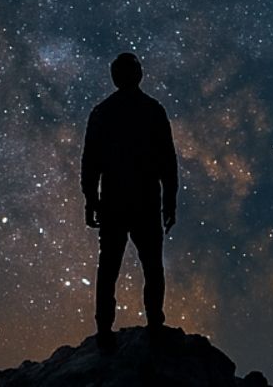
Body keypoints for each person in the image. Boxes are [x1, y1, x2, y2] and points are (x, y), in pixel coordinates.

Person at [80, 51, 178, 345]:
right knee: (149, 265)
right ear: (138, 75)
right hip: (144, 200)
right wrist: (169, 201)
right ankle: (154, 324)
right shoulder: (152, 110)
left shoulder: (102, 112)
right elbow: (167, 161)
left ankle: (105, 331)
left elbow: (91, 161)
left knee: (110, 267)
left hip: (115, 201)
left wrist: (90, 199)